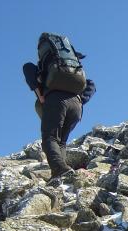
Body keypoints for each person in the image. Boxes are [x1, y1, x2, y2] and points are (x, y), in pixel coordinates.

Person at [23, 33, 96, 181]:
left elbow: (27, 68)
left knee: (50, 137)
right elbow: (91, 84)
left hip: (55, 100)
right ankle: (61, 175)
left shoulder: (44, 68)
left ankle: (60, 170)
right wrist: (80, 100)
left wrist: (40, 95)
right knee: (61, 141)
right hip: (76, 106)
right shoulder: (72, 66)